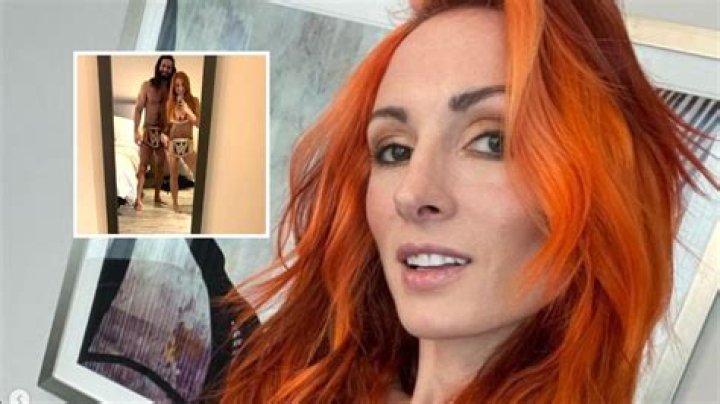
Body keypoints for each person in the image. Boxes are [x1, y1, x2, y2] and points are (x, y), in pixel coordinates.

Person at [215, 1, 717, 403]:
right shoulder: (283, 381)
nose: (413, 194)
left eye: (492, 142)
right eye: (395, 150)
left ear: (602, 188)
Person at [134, 55, 176, 211]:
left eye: (169, 67)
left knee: (161, 166)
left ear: (172, 70)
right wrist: (135, 131)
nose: (165, 69)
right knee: (142, 166)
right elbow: (138, 109)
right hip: (148, 131)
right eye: (163, 66)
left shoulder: (173, 90)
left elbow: (175, 113)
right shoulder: (147, 86)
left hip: (163, 133)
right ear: (158, 66)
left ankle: (157, 196)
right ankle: (138, 198)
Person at [165, 71, 200, 213]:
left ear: (187, 85)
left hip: (187, 143)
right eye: (177, 85)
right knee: (173, 175)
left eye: (183, 85)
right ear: (173, 87)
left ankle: (199, 201)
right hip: (172, 143)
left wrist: (187, 110)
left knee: (198, 172)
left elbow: (198, 123)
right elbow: (166, 126)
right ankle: (175, 203)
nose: (180, 88)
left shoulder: (194, 101)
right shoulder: (169, 103)